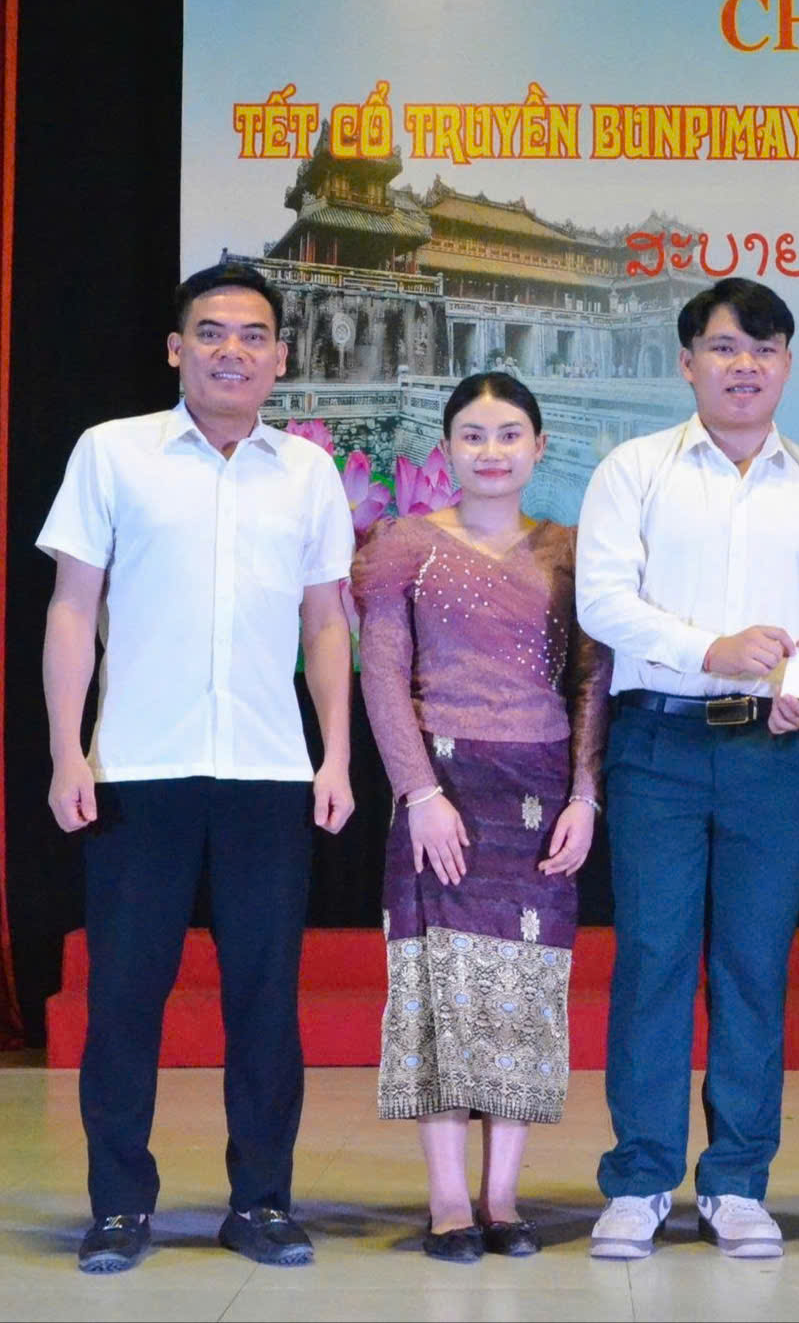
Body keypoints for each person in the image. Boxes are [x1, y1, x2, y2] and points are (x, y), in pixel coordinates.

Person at [36, 259, 356, 1276]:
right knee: (125, 997)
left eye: (253, 335)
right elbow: (72, 608)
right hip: (141, 765)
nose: (232, 351)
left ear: (280, 357)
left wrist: (335, 754)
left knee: (264, 1000)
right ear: (177, 349)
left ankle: (260, 1202)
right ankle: (117, 1206)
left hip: (267, 770)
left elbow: (326, 622)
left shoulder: (306, 472)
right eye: (211, 332)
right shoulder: (113, 453)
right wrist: (67, 749)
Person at [574, 277, 799, 1261]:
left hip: (772, 753)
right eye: (723, 347)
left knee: (753, 966)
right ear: (686, 362)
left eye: (763, 348)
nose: (743, 365)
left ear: (786, 364)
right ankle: (640, 1179)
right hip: (657, 744)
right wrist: (712, 648)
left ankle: (738, 1182)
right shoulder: (633, 470)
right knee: (653, 958)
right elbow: (601, 602)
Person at [351, 372, 613, 1264]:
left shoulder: (571, 550)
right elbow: (383, 674)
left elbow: (591, 681)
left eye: (508, 435)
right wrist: (418, 793)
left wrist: (585, 794)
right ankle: (447, 1201)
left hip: (539, 791)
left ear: (539, 447)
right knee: (437, 995)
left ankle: (502, 1197)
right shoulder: (405, 543)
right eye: (472, 435)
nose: (490, 451)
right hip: (441, 789)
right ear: (447, 449)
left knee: (521, 998)